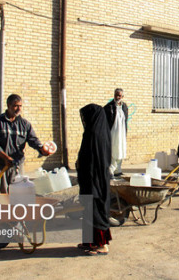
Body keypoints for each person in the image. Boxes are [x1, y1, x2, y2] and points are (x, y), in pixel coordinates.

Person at [0, 94, 49, 193]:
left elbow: (33, 140)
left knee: (17, 194)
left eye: (20, 106)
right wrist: (5, 157)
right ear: (8, 105)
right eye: (15, 106)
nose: (18, 109)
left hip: (16, 165)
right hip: (0, 165)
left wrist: (41, 149)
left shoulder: (25, 124)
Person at [76, 104, 112, 255]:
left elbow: (93, 160)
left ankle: (101, 245)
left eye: (85, 117)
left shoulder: (95, 135)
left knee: (95, 211)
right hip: (91, 179)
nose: (84, 121)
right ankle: (90, 242)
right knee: (89, 210)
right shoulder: (96, 132)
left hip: (94, 180)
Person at [104, 88, 128, 178]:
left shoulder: (124, 106)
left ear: (123, 96)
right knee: (113, 150)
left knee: (121, 149)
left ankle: (118, 170)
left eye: (120, 95)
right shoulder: (109, 107)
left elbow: (125, 120)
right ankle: (110, 170)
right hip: (112, 133)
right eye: (116, 95)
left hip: (121, 132)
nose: (118, 97)